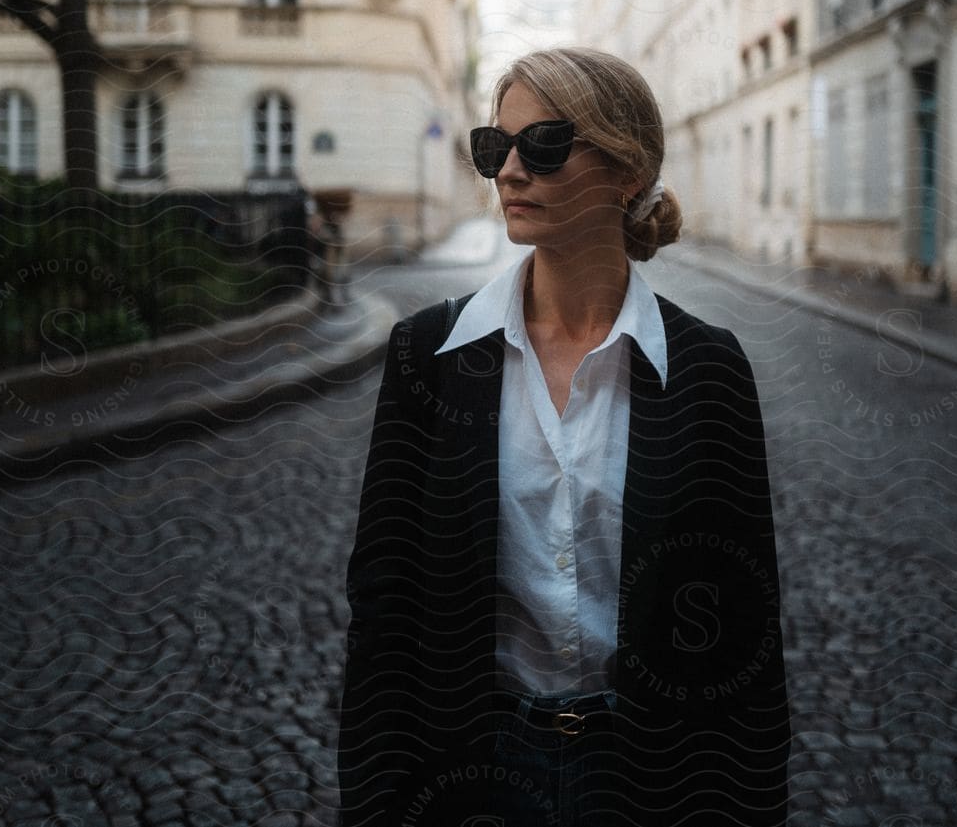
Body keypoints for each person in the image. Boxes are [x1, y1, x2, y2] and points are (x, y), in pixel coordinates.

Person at [337, 47, 790, 826]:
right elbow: (386, 613)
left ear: (625, 170)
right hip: (472, 771)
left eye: (542, 145)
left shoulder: (707, 367)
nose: (510, 170)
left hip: (652, 778)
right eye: (494, 147)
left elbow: (742, 634)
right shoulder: (429, 358)